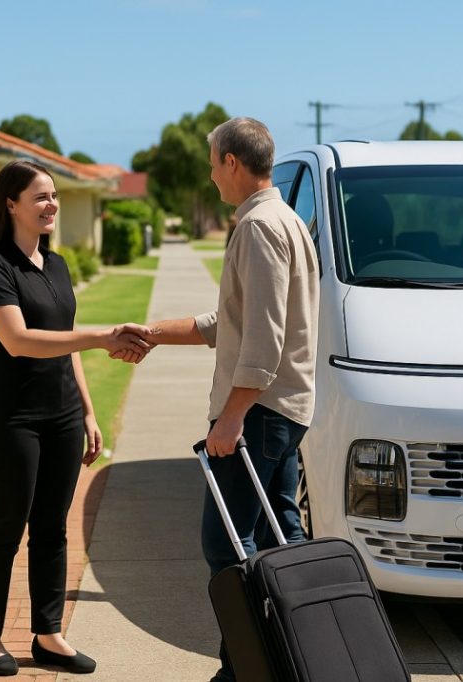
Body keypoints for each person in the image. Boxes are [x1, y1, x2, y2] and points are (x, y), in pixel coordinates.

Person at [130, 117, 319, 682]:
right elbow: (232, 322)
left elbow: (263, 338)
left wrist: (231, 417)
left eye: (214, 163)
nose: (211, 175)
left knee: (230, 548)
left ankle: (245, 671)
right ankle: (299, 660)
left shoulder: (259, 228)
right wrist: (156, 334)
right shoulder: (283, 219)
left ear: (232, 162)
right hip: (282, 410)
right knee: (280, 540)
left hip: (258, 414)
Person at [0, 160, 151, 676]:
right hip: (11, 420)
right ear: (11, 204)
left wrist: (89, 412)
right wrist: (100, 336)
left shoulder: (58, 266)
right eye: (41, 196)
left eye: (54, 196)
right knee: (6, 526)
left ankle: (48, 636)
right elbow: (18, 340)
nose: (52, 204)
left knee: (52, 528)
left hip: (63, 416)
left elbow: (64, 348)